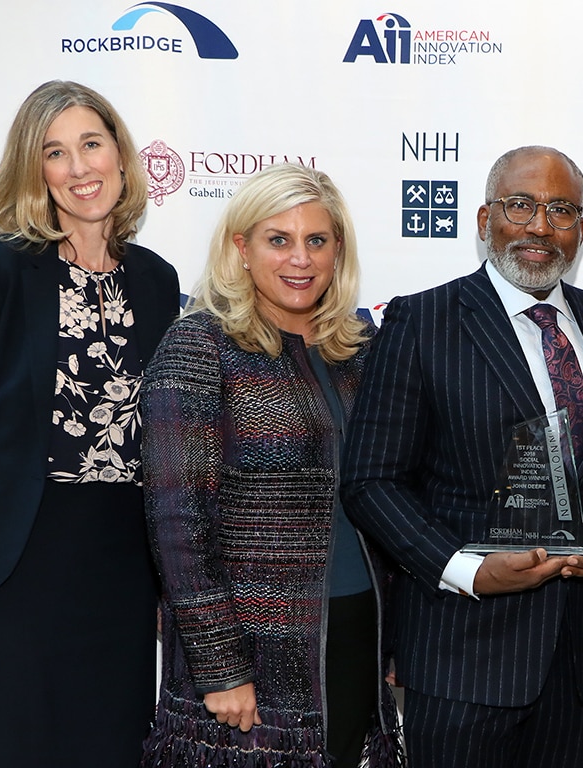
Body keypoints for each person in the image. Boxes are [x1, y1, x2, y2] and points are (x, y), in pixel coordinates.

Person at [341, 145, 583, 768]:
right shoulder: (421, 320)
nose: (540, 226)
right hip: (464, 654)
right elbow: (371, 481)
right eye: (520, 206)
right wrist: (466, 568)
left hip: (579, 661)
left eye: (560, 211)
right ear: (485, 219)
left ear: (582, 229)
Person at [0, 80, 180, 768]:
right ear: (35, 171)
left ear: (121, 156)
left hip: (121, 572)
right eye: (54, 153)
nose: (78, 168)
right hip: (17, 574)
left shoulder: (156, 280)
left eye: (91, 144)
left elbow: (167, 442)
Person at [139, 163, 401, 767]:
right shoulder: (200, 348)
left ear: (339, 251)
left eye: (317, 240)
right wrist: (217, 663)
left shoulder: (359, 351)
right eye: (278, 240)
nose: (300, 259)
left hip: (358, 625)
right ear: (242, 247)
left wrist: (398, 645)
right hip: (249, 643)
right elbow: (177, 524)